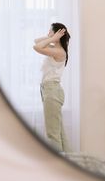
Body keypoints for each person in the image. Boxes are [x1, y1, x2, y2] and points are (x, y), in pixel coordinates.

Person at [33, 22, 71, 153]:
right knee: (59, 132)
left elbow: (36, 47)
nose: (47, 33)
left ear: (57, 35)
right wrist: (52, 37)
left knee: (52, 134)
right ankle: (70, 164)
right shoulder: (55, 48)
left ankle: (58, 168)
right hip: (50, 91)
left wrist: (53, 38)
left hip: (52, 91)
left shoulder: (58, 51)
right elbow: (36, 40)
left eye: (50, 31)